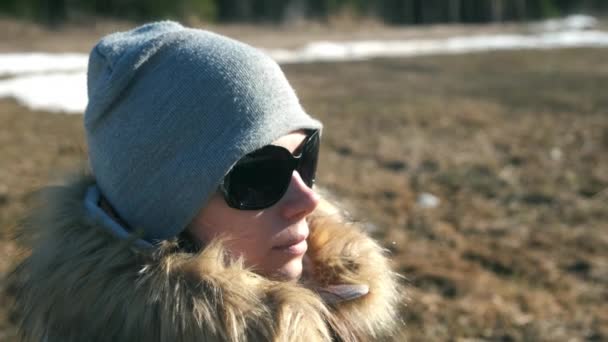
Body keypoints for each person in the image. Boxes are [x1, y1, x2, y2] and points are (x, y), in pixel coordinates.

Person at [10, 21, 400, 341]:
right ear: (163, 207)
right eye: (259, 174)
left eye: (305, 157)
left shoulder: (330, 298)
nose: (307, 199)